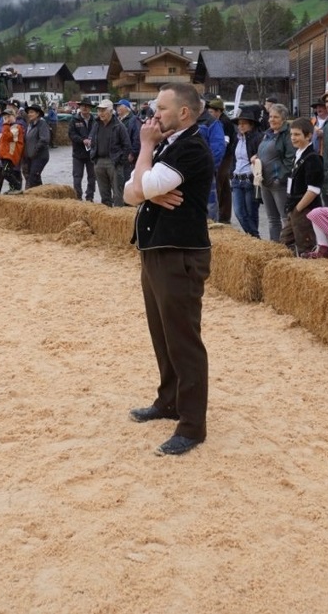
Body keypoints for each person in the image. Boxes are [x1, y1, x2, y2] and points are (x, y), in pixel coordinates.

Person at [123, 82, 214, 457]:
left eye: (160, 108)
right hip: (158, 251)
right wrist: (147, 188)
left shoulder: (191, 147)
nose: (153, 114)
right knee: (162, 334)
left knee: (183, 340)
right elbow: (129, 193)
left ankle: (192, 425)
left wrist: (144, 150)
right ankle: (169, 400)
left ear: (184, 113)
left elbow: (142, 184)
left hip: (179, 254)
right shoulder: (172, 143)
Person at [280, 118, 325, 255]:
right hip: (295, 206)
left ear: (309, 135)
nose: (293, 138)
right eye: (291, 134)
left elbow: (313, 190)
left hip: (305, 209)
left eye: (297, 134)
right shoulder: (298, 154)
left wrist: (298, 209)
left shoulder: (313, 158)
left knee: (305, 247)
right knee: (284, 243)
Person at [254, 103, 294, 242]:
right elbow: (264, 153)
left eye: (276, 117)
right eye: (270, 116)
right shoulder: (268, 134)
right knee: (272, 219)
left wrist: (280, 178)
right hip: (265, 181)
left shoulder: (287, 135)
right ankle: (275, 247)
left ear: (283, 119)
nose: (271, 120)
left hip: (279, 183)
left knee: (285, 218)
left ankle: (287, 246)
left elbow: (290, 159)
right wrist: (256, 157)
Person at [229, 107, 263, 237]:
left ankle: (254, 239)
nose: (240, 126)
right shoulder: (237, 139)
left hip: (250, 179)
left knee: (251, 213)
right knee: (238, 212)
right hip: (237, 178)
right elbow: (234, 157)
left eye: (244, 123)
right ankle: (255, 237)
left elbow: (261, 156)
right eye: (239, 123)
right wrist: (231, 173)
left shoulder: (258, 138)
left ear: (251, 125)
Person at [91, 99, 129, 206]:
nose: (100, 113)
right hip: (99, 162)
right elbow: (93, 140)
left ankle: (118, 217)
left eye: (103, 110)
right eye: (99, 110)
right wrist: (93, 157)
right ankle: (106, 217)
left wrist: (120, 161)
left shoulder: (119, 126)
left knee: (118, 193)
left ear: (111, 111)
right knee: (104, 193)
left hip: (114, 162)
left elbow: (127, 145)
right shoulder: (97, 124)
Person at [199, 98, 228, 219]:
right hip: (187, 171)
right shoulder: (186, 122)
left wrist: (208, 167)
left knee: (209, 204)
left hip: (204, 170)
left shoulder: (212, 123)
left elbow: (218, 149)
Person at [69, 98, 96, 201]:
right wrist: (82, 140)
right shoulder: (73, 120)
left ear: (90, 108)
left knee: (92, 177)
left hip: (92, 154)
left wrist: (92, 141)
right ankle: (78, 197)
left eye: (87, 106)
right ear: (80, 107)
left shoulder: (95, 121)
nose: (85, 108)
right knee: (77, 177)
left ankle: (90, 197)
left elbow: (98, 135)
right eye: (83, 106)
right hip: (78, 154)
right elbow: (71, 135)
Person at [0, 108, 24, 195]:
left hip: (10, 154)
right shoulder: (7, 127)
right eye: (5, 117)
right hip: (4, 154)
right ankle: (13, 188)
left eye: (8, 116)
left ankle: (17, 186)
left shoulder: (16, 127)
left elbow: (7, 137)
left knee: (6, 172)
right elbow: (3, 139)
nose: (6, 118)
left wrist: (6, 124)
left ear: (13, 116)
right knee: (8, 172)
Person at [22, 104, 52, 188]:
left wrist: (34, 151)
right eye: (28, 112)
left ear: (38, 113)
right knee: (35, 178)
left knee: (33, 177)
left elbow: (44, 139)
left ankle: (33, 197)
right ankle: (42, 197)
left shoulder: (42, 124)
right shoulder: (30, 125)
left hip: (40, 156)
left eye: (31, 112)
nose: (29, 114)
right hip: (31, 157)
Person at [116, 99, 141, 189]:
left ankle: (127, 202)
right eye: (117, 106)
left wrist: (133, 153)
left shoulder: (133, 120)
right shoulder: (117, 120)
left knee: (127, 181)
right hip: (117, 156)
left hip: (128, 156)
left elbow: (137, 138)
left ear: (126, 108)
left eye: (120, 106)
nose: (117, 108)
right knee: (117, 182)